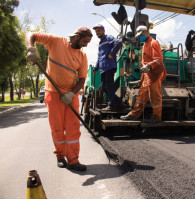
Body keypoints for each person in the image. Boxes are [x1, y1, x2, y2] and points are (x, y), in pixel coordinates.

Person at [25, 27, 93, 171]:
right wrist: (31, 48)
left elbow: (81, 79)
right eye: (85, 41)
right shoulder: (55, 41)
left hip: (70, 94)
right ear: (76, 36)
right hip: (53, 93)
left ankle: (73, 160)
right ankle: (60, 157)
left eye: (88, 42)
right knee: (57, 128)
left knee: (73, 128)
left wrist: (71, 94)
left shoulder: (82, 56)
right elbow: (31, 34)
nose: (86, 45)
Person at [120, 25, 166, 122]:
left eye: (141, 34)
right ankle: (134, 114)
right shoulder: (145, 44)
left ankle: (157, 117)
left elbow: (158, 59)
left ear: (146, 32)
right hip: (147, 74)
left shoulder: (154, 43)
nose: (140, 37)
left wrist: (148, 65)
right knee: (142, 95)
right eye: (139, 35)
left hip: (155, 74)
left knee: (155, 96)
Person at [92, 23, 123, 111]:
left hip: (109, 66)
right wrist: (95, 68)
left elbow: (119, 42)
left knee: (109, 87)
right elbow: (100, 57)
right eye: (96, 31)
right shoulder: (100, 43)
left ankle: (112, 105)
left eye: (99, 30)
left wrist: (111, 54)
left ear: (103, 31)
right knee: (104, 87)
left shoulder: (108, 38)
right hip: (103, 69)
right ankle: (118, 102)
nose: (98, 32)